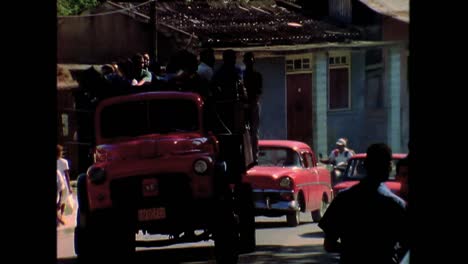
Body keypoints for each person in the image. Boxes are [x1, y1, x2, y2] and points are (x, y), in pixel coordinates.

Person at [318, 143, 408, 264]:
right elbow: (406, 246)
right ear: (389, 167)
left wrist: (352, 251)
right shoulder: (396, 205)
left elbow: (329, 245)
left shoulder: (343, 199)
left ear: (365, 166)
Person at [243, 52, 263, 163]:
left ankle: (254, 157)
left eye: (251, 60)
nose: (249, 62)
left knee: (254, 132)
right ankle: (248, 156)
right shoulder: (242, 76)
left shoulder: (257, 75)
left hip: (253, 105)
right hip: (244, 106)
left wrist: (251, 103)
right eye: (247, 60)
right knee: (245, 132)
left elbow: (259, 92)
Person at [57, 144, 73, 220]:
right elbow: (67, 176)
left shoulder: (64, 161)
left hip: (58, 183)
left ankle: (61, 215)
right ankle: (61, 215)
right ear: (60, 152)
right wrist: (69, 187)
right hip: (63, 183)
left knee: (60, 200)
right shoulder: (64, 162)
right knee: (63, 200)